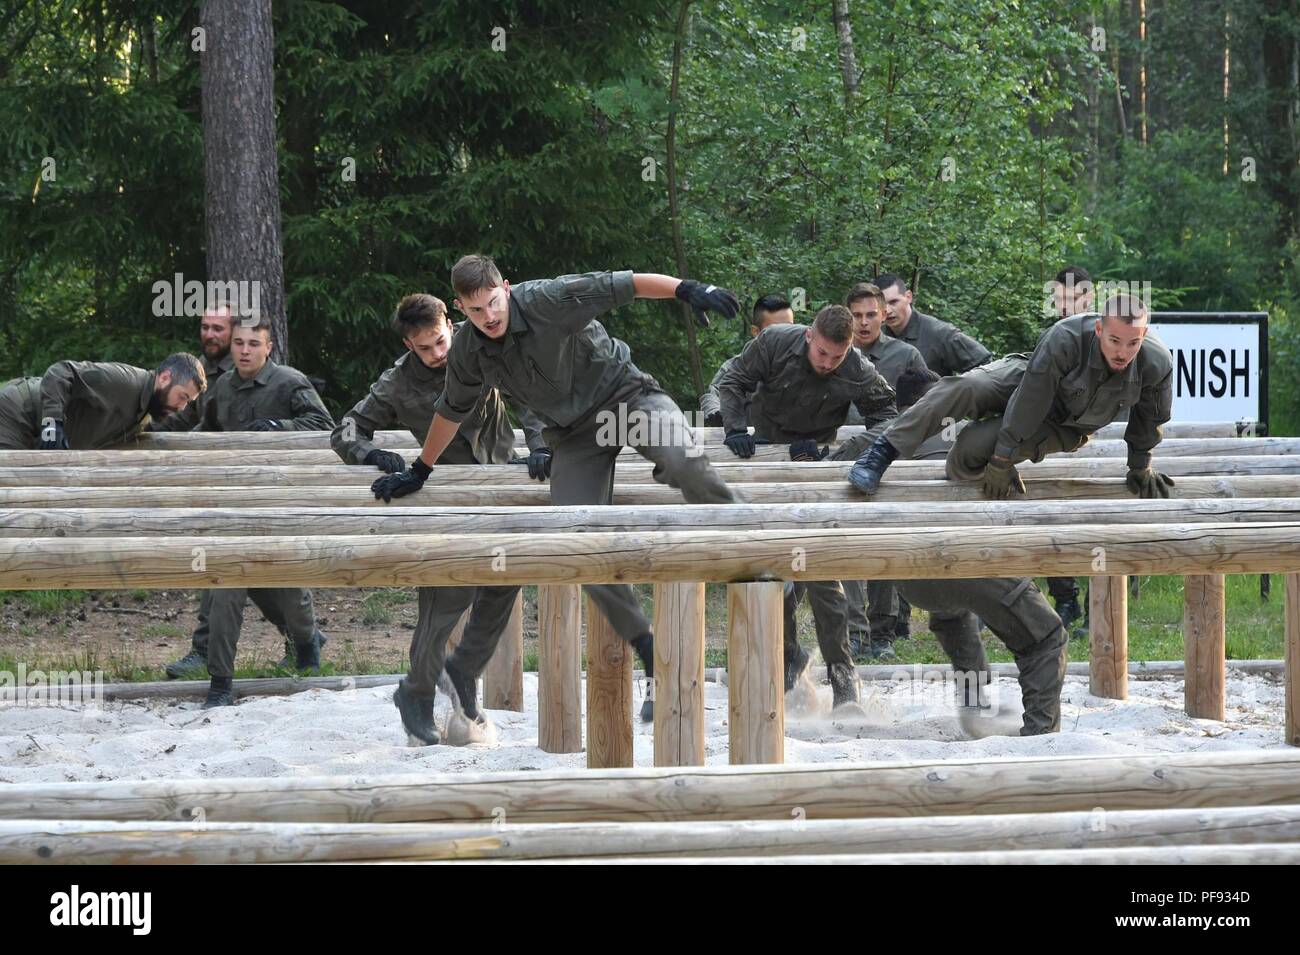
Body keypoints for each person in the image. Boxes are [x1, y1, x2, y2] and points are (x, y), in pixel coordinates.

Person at [369, 256, 742, 723]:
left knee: (684, 462)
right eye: (476, 310)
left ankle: (754, 539)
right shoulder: (468, 349)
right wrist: (421, 469)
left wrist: (688, 288)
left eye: (493, 303)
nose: (489, 316)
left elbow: (622, 284)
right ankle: (646, 644)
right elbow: (452, 408)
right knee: (578, 539)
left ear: (505, 288)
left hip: (626, 400)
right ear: (460, 309)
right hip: (574, 435)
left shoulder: (547, 297)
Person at [332, 292, 537, 744]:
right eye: (424, 348)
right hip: (447, 497)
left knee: (509, 579)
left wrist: (540, 445)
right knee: (447, 600)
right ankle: (418, 693)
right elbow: (346, 428)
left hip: (503, 486)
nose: (438, 354)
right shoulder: (398, 382)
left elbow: (532, 393)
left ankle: (463, 670)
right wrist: (370, 451)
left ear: (451, 323)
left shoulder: (484, 344)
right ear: (408, 345)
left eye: (442, 342)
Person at [717, 304, 898, 707]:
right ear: (809, 336)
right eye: (823, 354)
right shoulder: (774, 342)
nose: (829, 363)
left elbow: (889, 417)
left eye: (839, 356)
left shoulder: (857, 367)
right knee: (772, 570)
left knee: (822, 577)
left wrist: (839, 453)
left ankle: (843, 677)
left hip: (817, 471)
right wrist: (734, 429)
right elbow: (732, 380)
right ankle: (786, 660)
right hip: (765, 462)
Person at [848, 293, 1175, 502]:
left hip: (1064, 425)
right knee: (959, 388)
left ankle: (972, 472)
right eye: (1115, 340)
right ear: (1099, 330)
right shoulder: (1066, 337)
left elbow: (1150, 417)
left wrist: (1140, 467)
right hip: (1027, 380)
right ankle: (882, 452)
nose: (1122, 352)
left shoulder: (1155, 362)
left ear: (1143, 336)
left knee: (972, 446)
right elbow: (1031, 397)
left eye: (1132, 344)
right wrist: (1003, 458)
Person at [163, 313, 335, 706]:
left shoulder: (290, 382)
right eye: (238, 343)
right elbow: (205, 431)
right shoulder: (221, 386)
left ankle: (307, 643)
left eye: (253, 344)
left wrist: (278, 427)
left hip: (281, 501)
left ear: (268, 347)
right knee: (226, 586)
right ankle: (220, 681)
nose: (244, 351)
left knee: (288, 585)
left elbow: (324, 425)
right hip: (234, 503)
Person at [837, 282, 931, 659]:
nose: (863, 322)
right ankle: (854, 632)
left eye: (871, 314)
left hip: (889, 463)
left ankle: (883, 632)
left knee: (883, 545)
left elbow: (929, 405)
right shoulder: (833, 352)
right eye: (856, 315)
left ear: (884, 315)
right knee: (846, 548)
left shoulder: (905, 354)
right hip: (841, 460)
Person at [894, 577, 1068, 736]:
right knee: (1047, 638)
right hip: (964, 566)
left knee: (952, 607)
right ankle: (1040, 733)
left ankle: (973, 701)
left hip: (911, 584)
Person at [0, 355, 205, 450]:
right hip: (18, 410)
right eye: (183, 397)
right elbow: (60, 372)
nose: (182, 407)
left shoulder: (146, 412)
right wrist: (52, 425)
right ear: (165, 378)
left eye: (189, 402)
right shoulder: (125, 381)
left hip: (34, 430)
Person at [699, 294, 796, 427]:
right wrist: (718, 415)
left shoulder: (810, 363)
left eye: (790, 328)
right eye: (776, 331)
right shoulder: (736, 367)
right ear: (756, 332)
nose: (785, 336)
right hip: (746, 441)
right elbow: (713, 396)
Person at [876, 272, 991, 376]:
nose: (888, 310)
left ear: (908, 297)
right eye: (882, 305)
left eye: (893, 302)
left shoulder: (939, 333)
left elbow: (986, 365)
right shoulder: (876, 337)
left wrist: (957, 393)